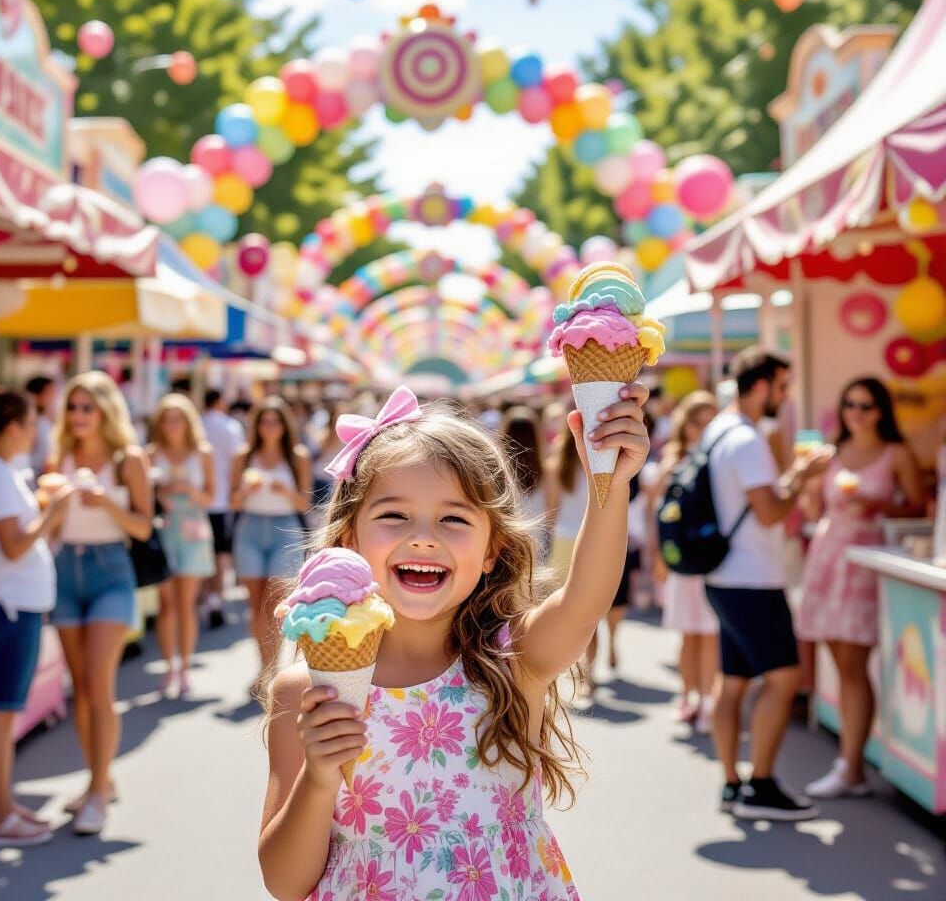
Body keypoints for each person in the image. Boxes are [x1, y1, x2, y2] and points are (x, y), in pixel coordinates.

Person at [258, 383, 650, 900]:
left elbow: (584, 602)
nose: (424, 536)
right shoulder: (306, 691)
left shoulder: (513, 660)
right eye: (394, 515)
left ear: (493, 550)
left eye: (454, 518)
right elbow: (285, 884)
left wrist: (612, 482)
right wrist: (319, 776)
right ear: (350, 538)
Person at [702, 348, 828, 821]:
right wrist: (802, 475)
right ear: (761, 386)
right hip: (752, 577)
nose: (786, 395)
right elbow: (771, 511)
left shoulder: (718, 430)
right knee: (783, 679)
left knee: (732, 682)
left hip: (724, 575)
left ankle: (733, 783)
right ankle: (762, 783)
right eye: (782, 385)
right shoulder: (748, 438)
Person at [798, 377, 925, 799]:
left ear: (881, 410)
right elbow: (814, 509)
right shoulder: (831, 454)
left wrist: (878, 505)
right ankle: (851, 762)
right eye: (850, 403)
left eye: (866, 405)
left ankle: (851, 766)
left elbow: (918, 506)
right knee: (842, 664)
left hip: (866, 562)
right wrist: (810, 484)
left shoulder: (897, 453)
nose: (857, 412)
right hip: (828, 558)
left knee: (853, 667)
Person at [0, 391, 73, 847]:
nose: (36, 431)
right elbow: (14, 545)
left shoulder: (0, 470)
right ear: (13, 425)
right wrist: (51, 513)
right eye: (31, 423)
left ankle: (2, 809)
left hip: (11, 603)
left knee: (3, 714)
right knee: (1, 714)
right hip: (8, 606)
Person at [47, 371, 153, 836]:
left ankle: (96, 792)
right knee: (80, 689)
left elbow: (144, 528)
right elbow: (52, 526)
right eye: (73, 407)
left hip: (111, 570)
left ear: (106, 411)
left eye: (87, 407)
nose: (78, 416)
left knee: (98, 683)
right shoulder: (60, 458)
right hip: (65, 568)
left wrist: (105, 501)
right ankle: (100, 780)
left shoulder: (127, 459)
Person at [230, 398, 312, 691]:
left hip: (284, 528)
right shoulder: (244, 456)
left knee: (276, 603)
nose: (269, 427)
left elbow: (305, 503)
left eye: (275, 421)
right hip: (250, 528)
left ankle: (274, 666)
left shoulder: (297, 456)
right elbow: (232, 501)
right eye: (264, 421)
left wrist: (287, 492)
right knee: (255, 604)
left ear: (284, 425)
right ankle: (263, 668)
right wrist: (245, 490)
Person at [650, 391, 720, 733]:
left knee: (709, 635)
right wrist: (658, 558)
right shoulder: (672, 461)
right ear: (685, 425)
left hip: (711, 560)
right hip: (681, 561)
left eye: (710, 420)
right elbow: (658, 517)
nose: (704, 428)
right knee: (688, 636)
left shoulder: (719, 457)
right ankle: (688, 695)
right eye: (698, 421)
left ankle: (707, 702)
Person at [147, 394, 217, 695]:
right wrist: (161, 491)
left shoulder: (202, 453)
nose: (171, 424)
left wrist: (189, 489)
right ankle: (168, 666)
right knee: (166, 605)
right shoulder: (151, 453)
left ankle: (185, 666)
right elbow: (144, 496)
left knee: (186, 603)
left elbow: (212, 497)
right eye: (166, 418)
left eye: (177, 418)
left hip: (192, 529)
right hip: (163, 529)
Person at [543, 424, 598, 696]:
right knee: (590, 610)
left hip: (563, 539)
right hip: (590, 538)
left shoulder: (556, 465)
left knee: (562, 609)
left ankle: (561, 668)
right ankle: (588, 672)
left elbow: (551, 509)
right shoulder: (599, 464)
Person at [200, 389, 245, 629]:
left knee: (204, 553)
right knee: (219, 555)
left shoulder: (196, 424)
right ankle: (215, 600)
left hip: (199, 501)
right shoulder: (231, 427)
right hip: (221, 500)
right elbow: (237, 461)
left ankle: (206, 598)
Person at [500, 406, 546, 523]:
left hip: (508, 534)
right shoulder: (547, 470)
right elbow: (552, 509)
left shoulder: (496, 470)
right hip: (538, 535)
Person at [25, 376, 58, 478]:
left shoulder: (46, 421)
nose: (53, 397)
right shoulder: (32, 424)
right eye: (49, 393)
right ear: (37, 396)